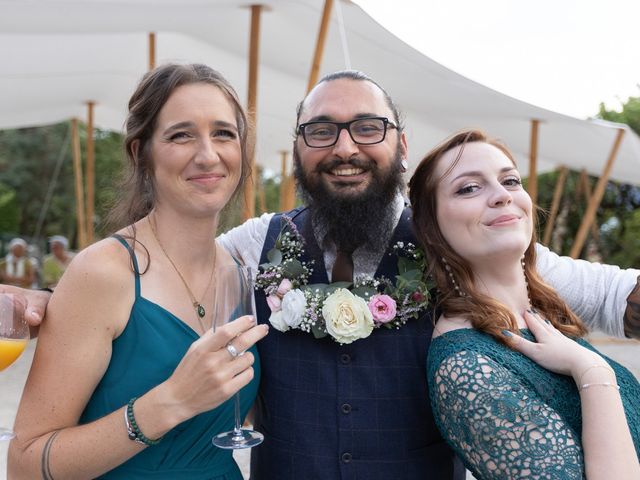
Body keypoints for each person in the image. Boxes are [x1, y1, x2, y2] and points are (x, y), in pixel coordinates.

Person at [3, 70, 640, 479]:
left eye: (367, 127)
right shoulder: (254, 246)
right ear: (299, 146)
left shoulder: (455, 241)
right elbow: (160, 279)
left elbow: (610, 293)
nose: (344, 147)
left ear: (401, 144)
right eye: (321, 130)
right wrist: (44, 301)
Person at [8, 63, 268, 479]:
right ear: (140, 152)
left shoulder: (241, 271)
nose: (208, 154)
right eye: (181, 135)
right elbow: (24, 464)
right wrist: (169, 403)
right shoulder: (104, 272)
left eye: (224, 133)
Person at [409, 129, 640, 479]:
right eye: (469, 188)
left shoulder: (541, 315)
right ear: (431, 228)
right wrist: (594, 371)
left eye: (511, 181)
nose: (501, 196)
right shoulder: (465, 366)